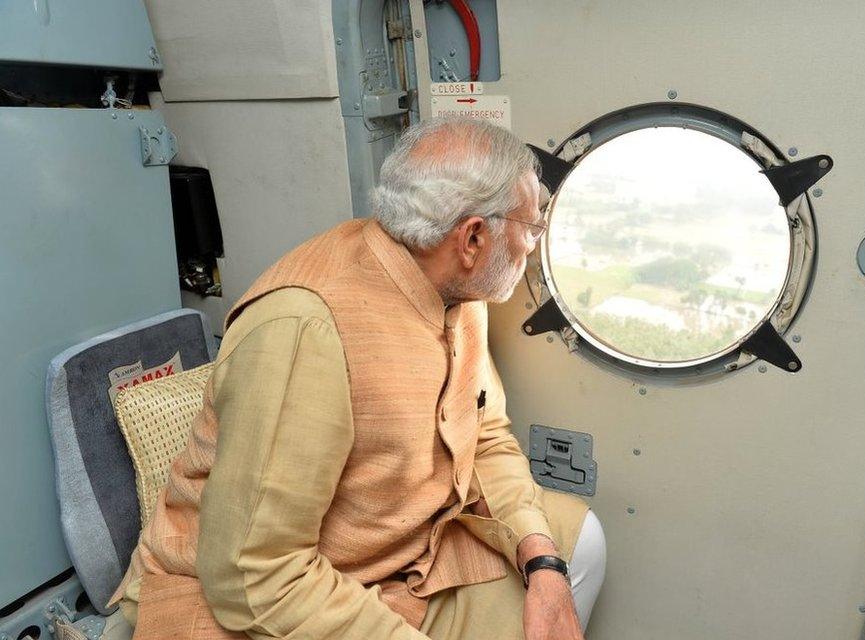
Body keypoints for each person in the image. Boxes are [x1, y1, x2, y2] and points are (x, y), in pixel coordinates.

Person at [111, 117, 606, 640]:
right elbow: (253, 575)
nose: (532, 246)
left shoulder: (461, 293)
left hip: (403, 552)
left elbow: (483, 438)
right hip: (262, 594)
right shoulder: (305, 330)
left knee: (581, 542)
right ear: (473, 238)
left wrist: (541, 560)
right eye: (530, 229)